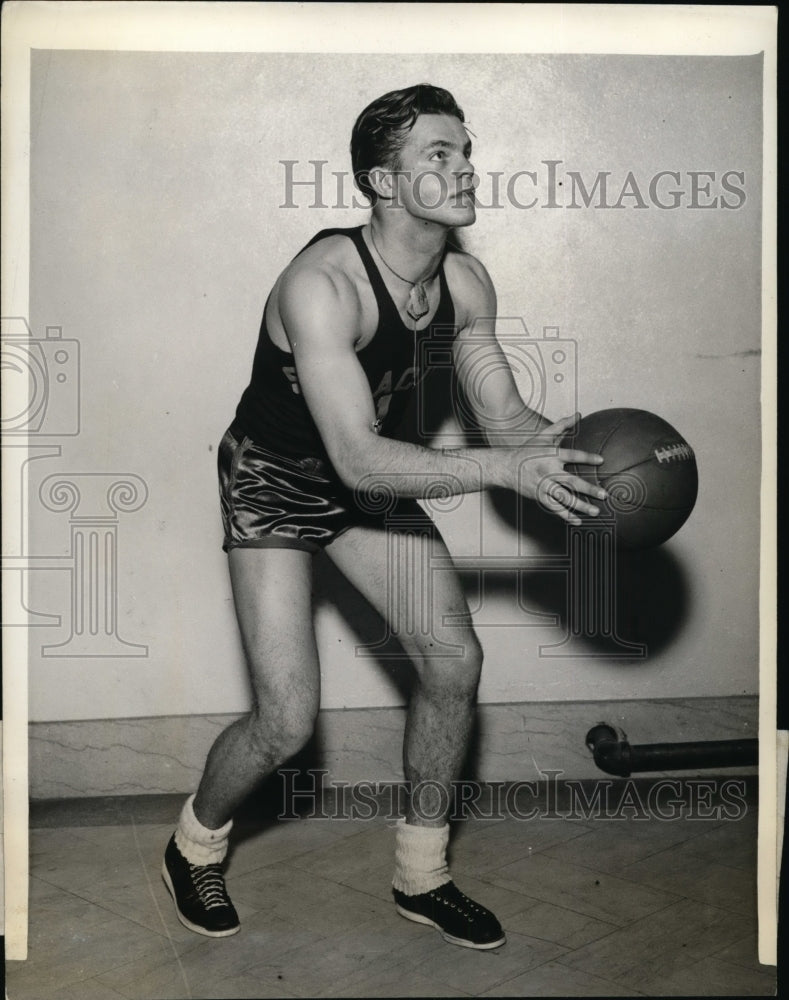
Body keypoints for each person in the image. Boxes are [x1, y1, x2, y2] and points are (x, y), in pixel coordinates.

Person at [161, 84, 607, 951]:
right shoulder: (322, 284)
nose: (464, 167)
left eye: (465, 150)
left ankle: (422, 875)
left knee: (452, 663)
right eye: (438, 154)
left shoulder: (465, 280)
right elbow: (358, 453)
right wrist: (503, 470)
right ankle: (194, 845)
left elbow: (502, 418)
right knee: (287, 721)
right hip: (278, 480)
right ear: (382, 181)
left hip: (371, 484)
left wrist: (573, 449)